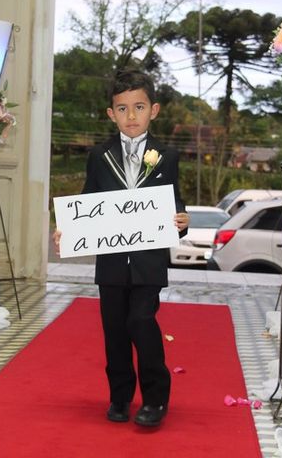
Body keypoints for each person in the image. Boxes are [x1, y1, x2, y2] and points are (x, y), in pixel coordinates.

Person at [54, 69, 189, 427]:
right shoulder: (99, 156)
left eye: (139, 107)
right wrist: (68, 228)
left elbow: (176, 204)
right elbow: (88, 200)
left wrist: (182, 221)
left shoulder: (167, 156)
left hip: (148, 264)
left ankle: (156, 400)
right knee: (114, 331)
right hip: (112, 264)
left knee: (140, 321)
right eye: (123, 108)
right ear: (111, 113)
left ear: (154, 110)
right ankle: (119, 397)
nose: (131, 116)